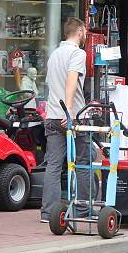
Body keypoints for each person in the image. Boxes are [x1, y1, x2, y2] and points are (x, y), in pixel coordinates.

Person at [40, 18, 89, 223]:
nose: (85, 35)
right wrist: (68, 111)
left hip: (51, 116)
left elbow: (50, 85)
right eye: (85, 31)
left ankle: (47, 213)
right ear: (79, 31)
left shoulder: (54, 55)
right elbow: (71, 79)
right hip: (72, 116)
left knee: (53, 165)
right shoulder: (78, 53)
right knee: (84, 162)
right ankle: (83, 209)